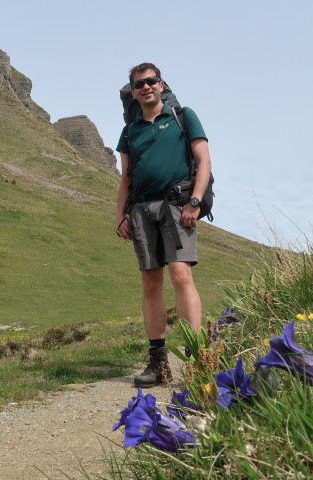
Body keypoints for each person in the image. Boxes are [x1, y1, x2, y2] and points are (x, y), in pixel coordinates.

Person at [115, 62, 212, 388]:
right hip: (141, 209)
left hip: (177, 204)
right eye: (139, 84)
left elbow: (204, 160)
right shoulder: (130, 131)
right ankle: (158, 363)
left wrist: (194, 202)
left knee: (181, 274)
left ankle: (197, 357)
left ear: (161, 84)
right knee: (150, 282)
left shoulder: (184, 116)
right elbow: (125, 178)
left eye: (151, 81)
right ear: (133, 90)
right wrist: (119, 216)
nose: (146, 86)